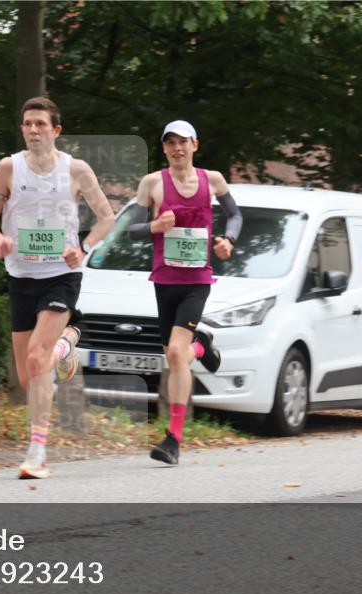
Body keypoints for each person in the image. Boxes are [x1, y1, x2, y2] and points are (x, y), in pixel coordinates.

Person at [0, 96, 115, 479]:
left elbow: (107, 217)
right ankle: (67, 342)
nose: (33, 130)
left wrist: (84, 248)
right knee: (29, 376)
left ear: (56, 130)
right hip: (20, 276)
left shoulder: (76, 170)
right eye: (27, 124)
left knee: (38, 361)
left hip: (61, 275)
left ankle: (37, 452)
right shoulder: (8, 168)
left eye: (41, 124)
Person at [128, 120, 243, 465]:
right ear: (163, 148)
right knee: (175, 355)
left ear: (195, 145)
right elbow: (132, 230)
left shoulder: (213, 180)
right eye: (171, 143)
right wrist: (154, 226)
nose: (177, 149)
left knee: (175, 355)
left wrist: (228, 241)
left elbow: (235, 215)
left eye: (183, 142)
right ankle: (201, 346)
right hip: (164, 280)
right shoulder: (151, 184)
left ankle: (173, 438)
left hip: (197, 281)